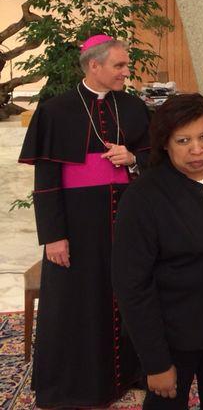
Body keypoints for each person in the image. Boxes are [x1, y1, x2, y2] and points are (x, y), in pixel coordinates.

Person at [18, 35, 150, 408]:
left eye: (126, 65)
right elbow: (45, 182)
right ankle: (74, 384)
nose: (127, 72)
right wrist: (54, 236)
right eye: (120, 66)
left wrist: (133, 158)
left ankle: (130, 373)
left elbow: (155, 154)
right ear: (95, 66)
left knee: (129, 294)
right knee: (77, 302)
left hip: (128, 221)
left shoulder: (133, 107)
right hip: (77, 225)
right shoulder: (56, 110)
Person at [112, 94, 203, 409]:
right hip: (174, 335)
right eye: (183, 140)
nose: (197, 149)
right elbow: (131, 284)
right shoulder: (144, 196)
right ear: (164, 143)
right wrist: (155, 361)